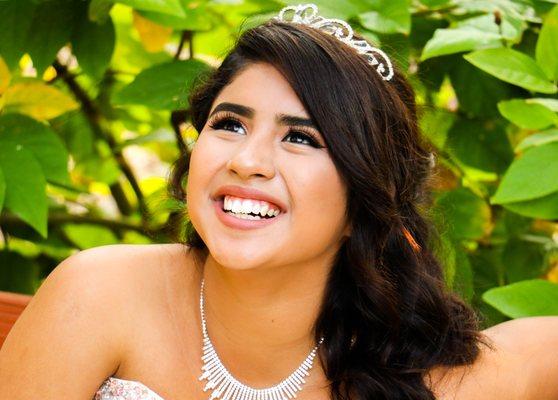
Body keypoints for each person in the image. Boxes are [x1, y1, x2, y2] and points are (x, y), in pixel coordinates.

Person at [1, 3, 557, 400]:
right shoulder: (98, 293)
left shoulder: (412, 376)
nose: (248, 160)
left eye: (301, 137)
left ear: (365, 197)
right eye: (230, 124)